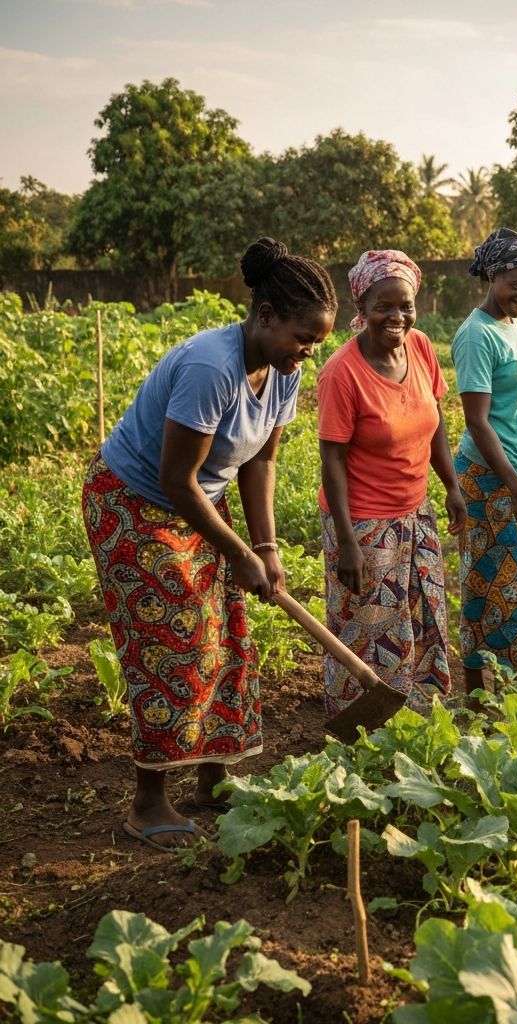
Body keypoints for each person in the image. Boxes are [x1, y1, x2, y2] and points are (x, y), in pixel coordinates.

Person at [82, 237, 338, 849]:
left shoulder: (283, 370)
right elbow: (176, 479)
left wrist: (265, 548)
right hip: (135, 504)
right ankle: (148, 804)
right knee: (173, 645)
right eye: (303, 337)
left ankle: (213, 780)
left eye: (317, 341)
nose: (309, 350)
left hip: (200, 502)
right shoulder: (210, 367)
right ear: (265, 315)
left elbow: (260, 463)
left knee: (228, 637)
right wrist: (237, 552)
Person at [317, 250, 466, 717]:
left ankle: (418, 712)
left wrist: (451, 485)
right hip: (364, 521)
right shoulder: (342, 373)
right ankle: (363, 721)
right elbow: (332, 460)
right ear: (361, 307)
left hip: (415, 511)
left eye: (405, 305)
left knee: (422, 612)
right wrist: (347, 542)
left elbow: (435, 419)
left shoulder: (420, 347)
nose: (396, 316)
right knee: (370, 624)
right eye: (383, 306)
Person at [451, 227, 517, 692]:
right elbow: (477, 422)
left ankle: (515, 692)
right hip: (492, 481)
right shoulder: (476, 335)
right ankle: (482, 694)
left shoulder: (509, 324)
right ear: (492, 276)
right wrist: (516, 489)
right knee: (489, 586)